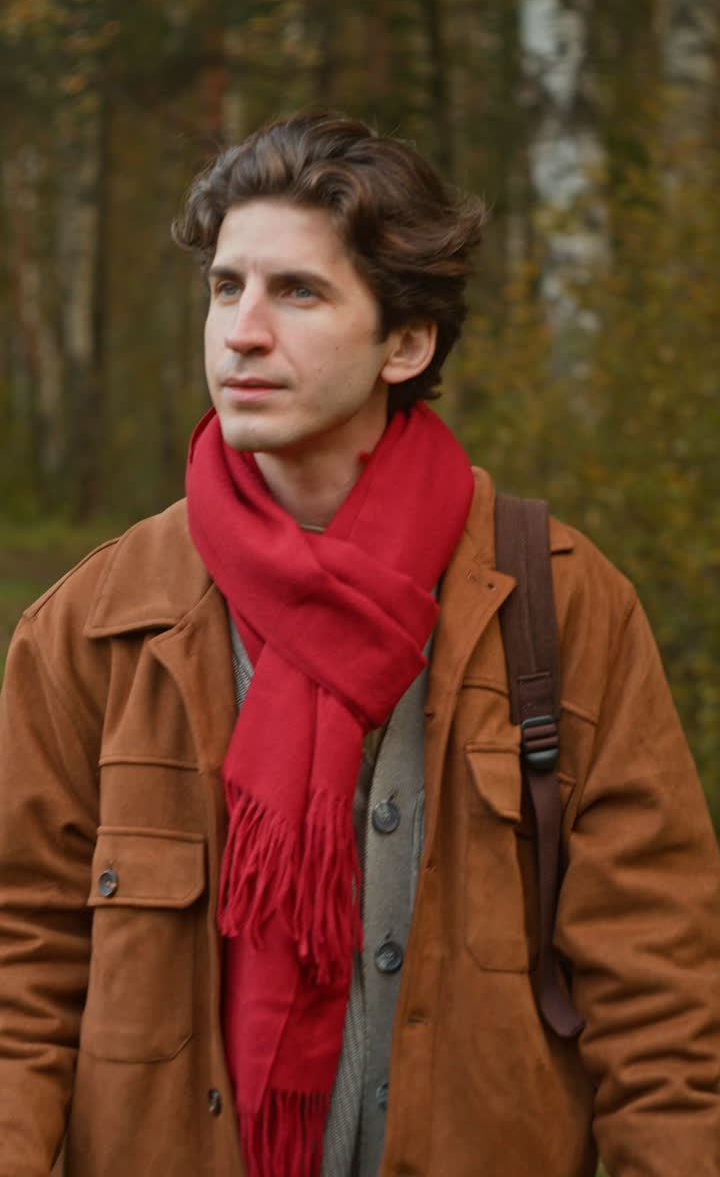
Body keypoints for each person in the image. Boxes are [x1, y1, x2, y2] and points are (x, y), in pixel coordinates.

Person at [0, 111, 718, 1177]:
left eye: (298, 292)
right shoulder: (96, 624)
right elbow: (21, 979)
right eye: (226, 287)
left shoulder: (561, 606)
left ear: (406, 343)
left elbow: (662, 999)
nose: (243, 332)